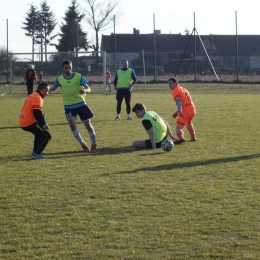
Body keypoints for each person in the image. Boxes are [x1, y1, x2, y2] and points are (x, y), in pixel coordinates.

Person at [49, 59, 97, 152]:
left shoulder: (78, 77)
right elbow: (53, 88)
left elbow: (88, 88)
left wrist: (85, 90)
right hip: (68, 106)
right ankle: (83, 144)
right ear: (62, 68)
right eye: (66, 68)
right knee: (71, 123)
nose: (68, 69)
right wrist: (47, 91)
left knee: (88, 124)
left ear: (72, 67)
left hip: (81, 104)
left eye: (70, 67)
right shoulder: (59, 79)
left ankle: (94, 143)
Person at [19, 81, 52, 159]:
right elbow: (36, 112)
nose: (48, 93)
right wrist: (43, 124)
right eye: (47, 91)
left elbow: (34, 111)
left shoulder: (33, 95)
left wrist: (40, 116)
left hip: (24, 120)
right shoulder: (38, 97)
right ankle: (36, 154)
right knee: (47, 136)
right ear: (43, 90)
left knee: (39, 134)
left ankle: (36, 151)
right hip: (28, 122)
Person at [168, 77, 196, 144]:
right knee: (189, 123)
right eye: (169, 84)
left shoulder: (175, 90)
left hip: (185, 111)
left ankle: (181, 138)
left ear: (176, 83)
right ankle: (193, 137)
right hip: (192, 109)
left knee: (178, 127)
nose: (169, 85)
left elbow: (178, 100)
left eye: (171, 83)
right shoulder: (183, 89)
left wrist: (179, 110)